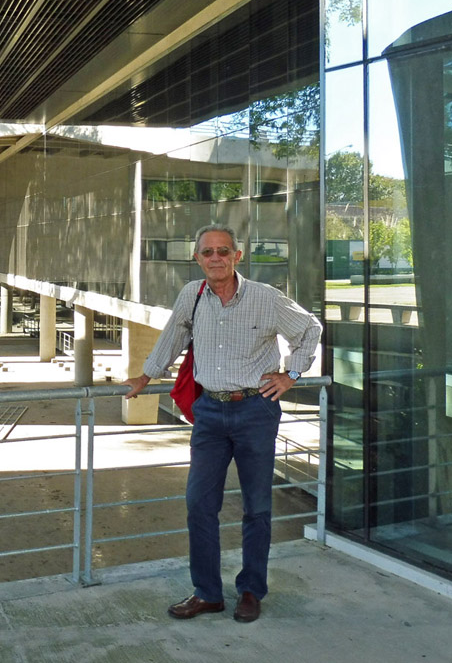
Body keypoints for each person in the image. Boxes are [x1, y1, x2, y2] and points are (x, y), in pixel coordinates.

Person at [123, 223, 321, 623]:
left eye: (223, 251)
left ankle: (251, 590)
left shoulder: (265, 298)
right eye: (208, 252)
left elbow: (310, 328)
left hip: (255, 411)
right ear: (197, 258)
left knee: (257, 507)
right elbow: (172, 336)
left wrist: (291, 375)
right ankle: (207, 593)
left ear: (237, 256)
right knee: (199, 504)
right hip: (209, 413)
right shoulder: (191, 295)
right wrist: (145, 376)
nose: (216, 258)